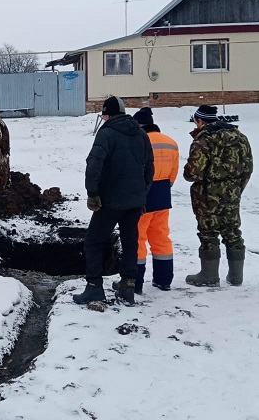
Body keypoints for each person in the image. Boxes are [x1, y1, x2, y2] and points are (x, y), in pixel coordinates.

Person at [73, 96, 154, 306]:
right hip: (135, 201)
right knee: (129, 243)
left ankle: (94, 288)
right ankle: (127, 286)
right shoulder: (140, 133)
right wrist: (142, 193)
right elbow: (150, 166)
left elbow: (94, 164)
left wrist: (93, 194)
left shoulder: (106, 133)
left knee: (93, 242)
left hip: (110, 201)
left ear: (107, 114)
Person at [183, 105, 253, 287]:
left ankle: (209, 275)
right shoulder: (240, 138)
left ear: (200, 121)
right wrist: (236, 189)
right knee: (233, 231)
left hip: (206, 196)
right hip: (232, 194)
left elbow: (193, 173)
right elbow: (248, 168)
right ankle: (236, 276)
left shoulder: (202, 141)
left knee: (208, 233)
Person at [122, 106, 179, 293]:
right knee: (161, 236)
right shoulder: (170, 142)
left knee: (137, 238)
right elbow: (173, 173)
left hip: (142, 194)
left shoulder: (140, 141)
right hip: (163, 194)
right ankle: (164, 280)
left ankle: (135, 282)